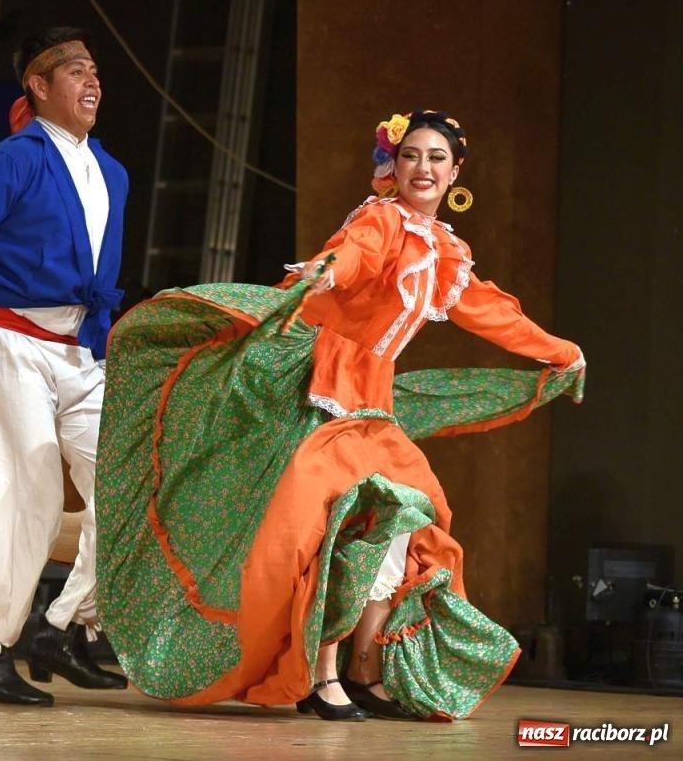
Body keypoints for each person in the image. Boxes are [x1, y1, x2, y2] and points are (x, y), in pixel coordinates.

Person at [95, 110, 587, 722]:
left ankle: (362, 671)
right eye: (411, 155)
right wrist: (326, 271)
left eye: (436, 158)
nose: (423, 168)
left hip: (370, 399)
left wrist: (561, 353)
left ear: (456, 171)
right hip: (319, 385)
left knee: (397, 523)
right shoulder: (381, 220)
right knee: (326, 527)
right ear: (393, 166)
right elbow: (355, 253)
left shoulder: (444, 252)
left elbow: (490, 311)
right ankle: (321, 673)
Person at [0, 27, 130, 707]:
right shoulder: (15, 159)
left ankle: (61, 626)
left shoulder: (112, 172)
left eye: (94, 70)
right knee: (32, 495)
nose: (91, 80)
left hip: (78, 352)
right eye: (74, 71)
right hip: (8, 342)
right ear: (38, 87)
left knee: (128, 484)